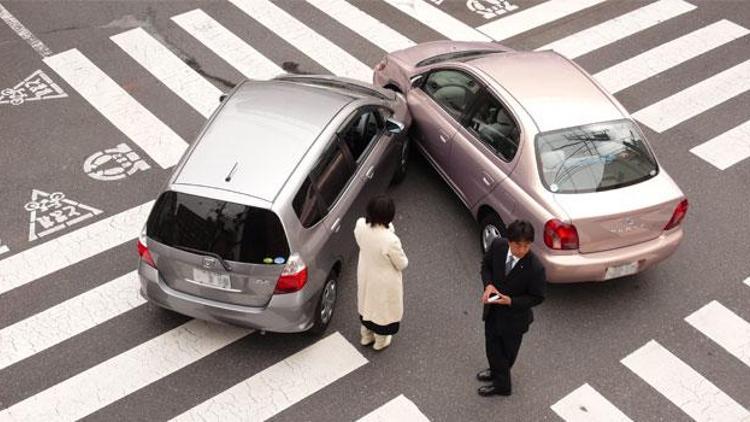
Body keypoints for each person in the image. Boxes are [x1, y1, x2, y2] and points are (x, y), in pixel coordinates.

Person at [477, 220, 546, 396]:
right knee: (491, 347)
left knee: (506, 354)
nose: (522, 250)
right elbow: (486, 266)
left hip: (515, 320)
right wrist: (488, 285)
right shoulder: (498, 245)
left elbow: (537, 297)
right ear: (509, 241)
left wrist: (511, 301)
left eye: (526, 246)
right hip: (493, 311)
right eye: (518, 245)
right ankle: (495, 372)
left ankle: (502, 386)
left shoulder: (535, 268)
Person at [354, 195, 409, 351]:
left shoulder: (360, 226)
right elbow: (402, 263)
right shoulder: (390, 240)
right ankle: (380, 341)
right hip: (384, 280)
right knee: (382, 310)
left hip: (366, 272)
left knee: (366, 303)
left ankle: (366, 335)